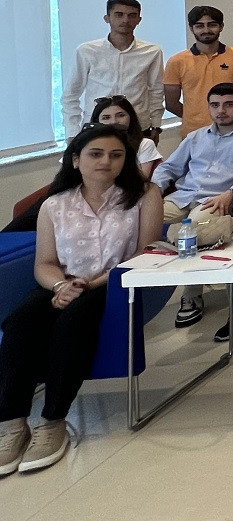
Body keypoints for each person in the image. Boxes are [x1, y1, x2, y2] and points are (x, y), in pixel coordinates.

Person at [0, 125, 163, 476]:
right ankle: (12, 424)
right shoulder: (55, 205)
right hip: (62, 284)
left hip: (115, 283)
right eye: (96, 154)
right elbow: (44, 263)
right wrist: (62, 286)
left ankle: (52, 421)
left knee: (74, 322)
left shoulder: (144, 194)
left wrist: (89, 285)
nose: (106, 161)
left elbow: (145, 251)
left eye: (116, 155)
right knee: (20, 321)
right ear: (75, 160)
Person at [152, 82, 233, 327]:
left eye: (229, 104)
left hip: (220, 201)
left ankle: (191, 295)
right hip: (184, 197)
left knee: (193, 230)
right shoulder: (196, 137)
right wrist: (154, 191)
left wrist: (232, 192)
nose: (221, 111)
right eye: (215, 105)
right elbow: (169, 168)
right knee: (140, 219)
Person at [62, 0, 163, 140]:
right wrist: (72, 133)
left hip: (138, 127)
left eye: (131, 15)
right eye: (119, 15)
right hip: (97, 127)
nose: (125, 20)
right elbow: (71, 94)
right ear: (107, 18)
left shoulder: (152, 52)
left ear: (139, 20)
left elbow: (156, 91)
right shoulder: (86, 51)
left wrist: (156, 125)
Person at [163, 5, 233, 135]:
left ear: (221, 26)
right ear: (191, 28)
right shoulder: (176, 61)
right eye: (200, 26)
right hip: (193, 133)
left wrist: (228, 116)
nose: (206, 30)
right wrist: (193, 117)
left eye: (212, 25)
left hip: (232, 131)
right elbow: (171, 103)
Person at [89, 96, 162, 180]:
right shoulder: (88, 146)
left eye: (121, 115)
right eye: (106, 118)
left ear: (131, 117)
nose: (114, 122)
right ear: (97, 121)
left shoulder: (145, 144)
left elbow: (141, 180)